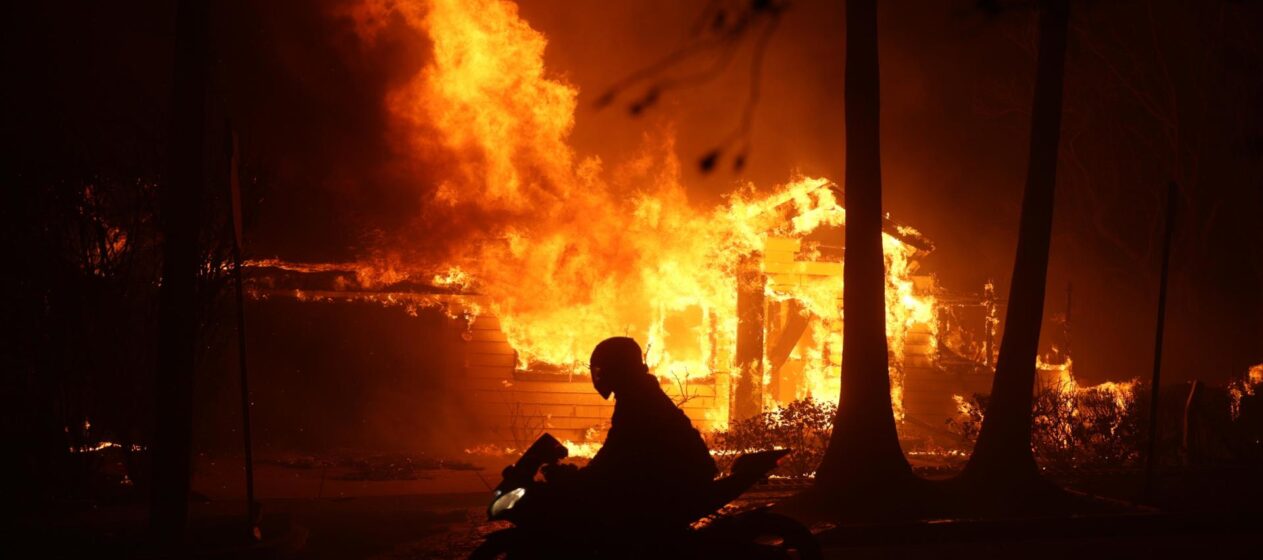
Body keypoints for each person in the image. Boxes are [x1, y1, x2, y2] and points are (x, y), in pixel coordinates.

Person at [544, 337, 717, 529]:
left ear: (617, 368)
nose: (599, 376)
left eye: (603, 369)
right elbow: (619, 453)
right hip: (674, 483)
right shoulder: (639, 393)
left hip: (673, 490)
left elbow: (614, 454)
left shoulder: (638, 400)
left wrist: (579, 480)